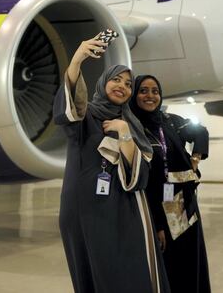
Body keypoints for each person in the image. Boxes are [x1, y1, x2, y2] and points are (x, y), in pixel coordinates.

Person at [53, 34, 170, 293]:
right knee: (98, 274)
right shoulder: (87, 116)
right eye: (116, 79)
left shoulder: (132, 124)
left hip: (126, 210)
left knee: (131, 273)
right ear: (103, 83)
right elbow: (71, 109)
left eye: (128, 84)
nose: (122, 86)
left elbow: (139, 177)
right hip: (88, 211)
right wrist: (77, 61)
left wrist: (124, 132)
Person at [130, 75, 212, 293]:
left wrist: (195, 158)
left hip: (183, 205)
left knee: (190, 261)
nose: (150, 96)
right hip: (156, 207)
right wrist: (156, 224)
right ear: (134, 94)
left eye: (155, 91)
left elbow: (200, 131)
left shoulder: (169, 121)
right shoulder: (133, 128)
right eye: (143, 91)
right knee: (169, 267)